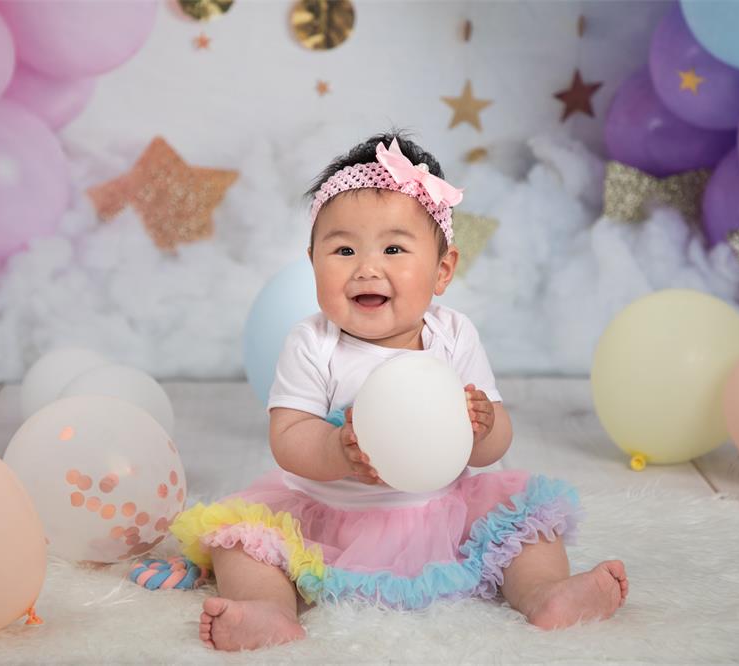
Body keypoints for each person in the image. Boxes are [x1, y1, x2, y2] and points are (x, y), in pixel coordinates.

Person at [171, 132, 628, 651]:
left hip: (444, 507)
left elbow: (496, 444)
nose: (367, 266)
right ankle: (266, 610)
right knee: (242, 544)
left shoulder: (453, 336)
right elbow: (288, 436)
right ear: (312, 262)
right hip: (327, 512)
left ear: (442, 270)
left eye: (393, 248)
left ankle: (547, 593)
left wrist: (484, 424)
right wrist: (334, 449)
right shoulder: (312, 343)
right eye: (343, 249)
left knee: (527, 528)